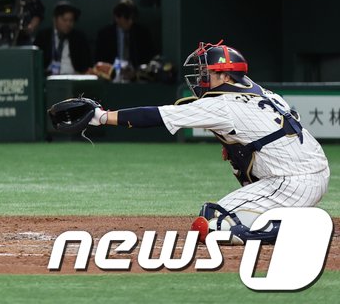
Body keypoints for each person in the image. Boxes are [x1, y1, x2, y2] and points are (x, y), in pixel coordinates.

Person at [71, 42, 330, 242]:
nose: (202, 78)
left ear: (227, 77)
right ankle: (290, 213)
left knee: (213, 223)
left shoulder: (221, 104)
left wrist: (101, 116)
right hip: (314, 172)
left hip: (291, 182)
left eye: (210, 73)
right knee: (235, 168)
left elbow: (156, 115)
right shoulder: (262, 92)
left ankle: (298, 228)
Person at [93, 0, 156, 77]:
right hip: (111, 77)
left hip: (137, 78)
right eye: (126, 17)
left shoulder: (143, 34)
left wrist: (136, 72)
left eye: (132, 17)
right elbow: (99, 61)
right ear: (117, 17)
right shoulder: (104, 35)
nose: (130, 21)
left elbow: (148, 59)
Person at [35, 1, 91, 75]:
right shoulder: (43, 36)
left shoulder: (80, 38)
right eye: (64, 20)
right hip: (48, 79)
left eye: (71, 21)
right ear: (55, 20)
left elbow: (87, 64)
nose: (68, 24)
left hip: (73, 79)